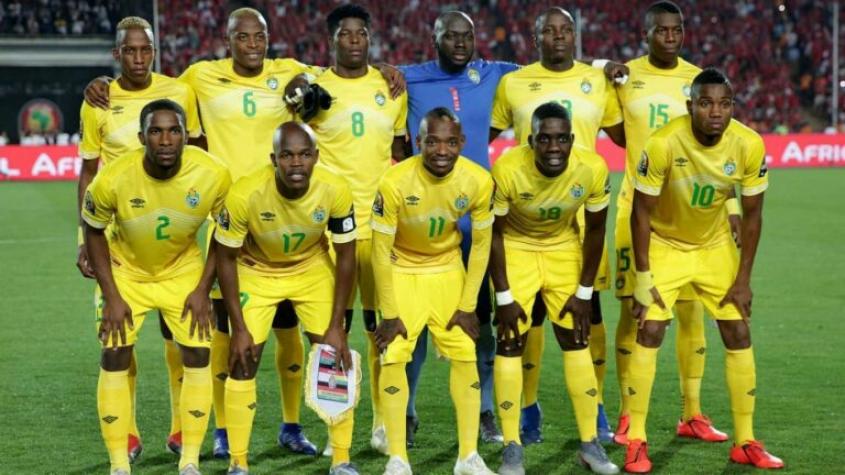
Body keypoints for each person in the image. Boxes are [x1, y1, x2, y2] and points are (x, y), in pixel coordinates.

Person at [83, 8, 403, 457]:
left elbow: (341, 72)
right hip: (228, 220)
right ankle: (221, 429)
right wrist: (103, 82)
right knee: (220, 331)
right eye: (243, 38)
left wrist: (386, 70)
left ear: (268, 39)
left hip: (287, 214)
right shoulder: (199, 77)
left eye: (260, 37)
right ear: (227, 40)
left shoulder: (289, 70)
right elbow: (153, 89)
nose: (253, 45)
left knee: (289, 328)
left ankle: (292, 425)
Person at [623, 68, 783, 472]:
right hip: (665, 244)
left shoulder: (748, 143)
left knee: (738, 330)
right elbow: (641, 213)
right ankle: (636, 439)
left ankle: (745, 441)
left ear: (733, 107)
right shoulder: (663, 143)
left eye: (724, 104)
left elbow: (753, 216)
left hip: (714, 247)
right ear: (690, 105)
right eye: (706, 103)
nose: (716, 112)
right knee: (651, 329)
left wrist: (743, 280)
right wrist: (643, 277)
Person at [488, 6, 624, 444]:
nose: (559, 36)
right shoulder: (514, 82)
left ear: (576, 36)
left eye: (566, 30)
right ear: (536, 38)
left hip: (582, 210)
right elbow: (483, 134)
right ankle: (528, 407)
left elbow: (625, 136)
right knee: (528, 318)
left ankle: (595, 408)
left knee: (589, 313)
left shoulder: (597, 80)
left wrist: (604, 65)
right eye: (550, 31)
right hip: (526, 214)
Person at [606, 0, 735, 446]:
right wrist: (603, 66)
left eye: (676, 29)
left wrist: (731, 209)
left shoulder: (698, 81)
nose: (670, 36)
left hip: (689, 217)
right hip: (637, 210)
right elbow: (619, 135)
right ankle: (627, 414)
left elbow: (717, 151)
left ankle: (692, 412)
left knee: (691, 311)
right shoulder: (625, 78)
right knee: (635, 311)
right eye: (661, 30)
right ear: (645, 34)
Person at [76, 16, 203, 460]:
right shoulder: (98, 101)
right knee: (119, 338)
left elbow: (198, 155)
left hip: (175, 241)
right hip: (119, 240)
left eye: (145, 49)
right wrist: (82, 236)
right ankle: (126, 435)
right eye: (129, 50)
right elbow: (88, 172)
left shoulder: (180, 92)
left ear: (155, 51)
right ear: (116, 54)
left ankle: (181, 428)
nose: (137, 58)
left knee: (180, 338)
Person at [82, 99, 231, 475]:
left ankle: (190, 460)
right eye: (156, 131)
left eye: (174, 131)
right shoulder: (114, 177)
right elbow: (93, 230)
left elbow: (224, 232)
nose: (166, 140)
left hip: (182, 271)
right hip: (126, 273)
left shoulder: (213, 173)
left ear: (186, 136)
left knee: (198, 353)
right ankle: (119, 463)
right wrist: (112, 296)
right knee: (115, 352)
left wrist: (203, 289)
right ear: (141, 138)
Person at [398, 9, 518, 446]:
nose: (461, 42)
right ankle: (406, 412)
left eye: (467, 35)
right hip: (421, 221)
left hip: (476, 220)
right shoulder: (407, 78)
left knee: (480, 317)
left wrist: (601, 65)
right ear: (435, 39)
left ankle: (485, 409)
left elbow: (548, 72)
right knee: (412, 323)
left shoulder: (494, 73)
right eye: (451, 36)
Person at [291, 3, 407, 455]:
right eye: (345, 34)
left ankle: (380, 424)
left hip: (378, 227)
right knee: (331, 329)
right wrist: (301, 85)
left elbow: (399, 152)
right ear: (331, 40)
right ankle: (333, 425)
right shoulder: (314, 89)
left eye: (361, 33)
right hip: (330, 229)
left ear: (370, 39)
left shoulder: (390, 87)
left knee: (380, 329)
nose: (354, 40)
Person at [215, 122, 359, 475]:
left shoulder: (336, 189)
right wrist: (239, 327)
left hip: (311, 268)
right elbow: (225, 258)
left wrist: (337, 325)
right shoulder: (246, 193)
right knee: (243, 360)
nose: (296, 163)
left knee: (334, 358)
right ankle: (238, 463)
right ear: (273, 159)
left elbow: (347, 256)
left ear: (316, 157)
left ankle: (341, 459)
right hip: (257, 269)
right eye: (287, 155)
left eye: (304, 154)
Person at [489, 102, 618, 475]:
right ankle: (512, 447)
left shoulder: (592, 168)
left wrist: (584, 293)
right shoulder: (507, 169)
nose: (553, 147)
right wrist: (504, 297)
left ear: (572, 140)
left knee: (576, 339)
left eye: (561, 139)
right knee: (510, 341)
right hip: (516, 247)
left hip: (563, 247)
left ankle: (589, 444)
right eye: (544, 139)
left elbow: (596, 230)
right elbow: (493, 234)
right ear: (531, 141)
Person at [372, 108, 494, 475]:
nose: (442, 150)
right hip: (402, 269)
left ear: (462, 143)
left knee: (466, 354)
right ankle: (397, 458)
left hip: (447, 270)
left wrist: (468, 305)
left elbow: (482, 246)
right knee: (394, 354)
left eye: (450, 142)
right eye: (433, 142)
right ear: (418, 142)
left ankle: (468, 458)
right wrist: (389, 313)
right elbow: (379, 250)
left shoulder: (478, 180)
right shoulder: (394, 181)